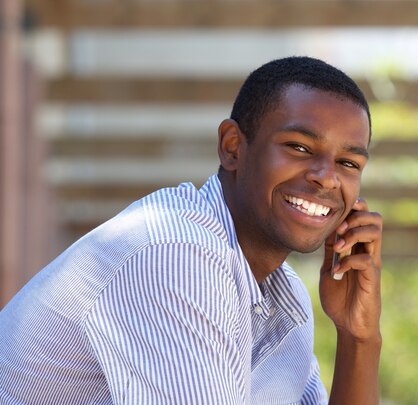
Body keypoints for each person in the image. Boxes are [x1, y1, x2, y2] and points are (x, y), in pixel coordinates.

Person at [0, 56, 383, 404]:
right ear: (232, 147)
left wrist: (358, 338)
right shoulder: (176, 254)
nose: (327, 179)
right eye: (299, 147)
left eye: (349, 163)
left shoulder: (284, 298)